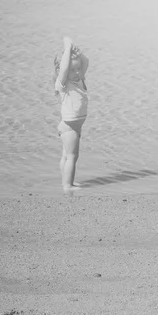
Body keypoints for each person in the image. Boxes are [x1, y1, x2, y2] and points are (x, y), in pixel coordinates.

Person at [53, 36, 89, 195]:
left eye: (78, 69)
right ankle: (68, 185)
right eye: (72, 70)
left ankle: (66, 180)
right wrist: (67, 49)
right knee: (72, 157)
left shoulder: (79, 80)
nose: (76, 72)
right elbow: (65, 69)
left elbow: (86, 62)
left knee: (66, 156)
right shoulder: (64, 84)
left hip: (75, 126)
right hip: (69, 127)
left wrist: (78, 53)